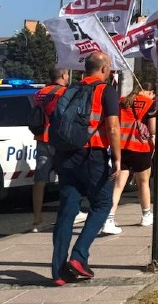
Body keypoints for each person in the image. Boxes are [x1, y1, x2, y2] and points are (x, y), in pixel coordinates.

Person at [50, 52, 121, 286]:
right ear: (103, 69)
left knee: (67, 212)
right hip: (92, 155)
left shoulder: (70, 89)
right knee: (102, 204)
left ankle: (59, 272)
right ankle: (79, 256)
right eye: (109, 67)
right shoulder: (106, 90)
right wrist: (118, 158)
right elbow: (113, 127)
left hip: (66, 155)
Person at [102, 82, 155, 235]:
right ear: (149, 91)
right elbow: (152, 129)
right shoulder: (150, 104)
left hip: (122, 146)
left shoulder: (122, 102)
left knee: (118, 185)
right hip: (141, 147)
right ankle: (146, 215)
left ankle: (109, 219)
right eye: (153, 94)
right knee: (143, 183)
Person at [31, 68, 70, 232]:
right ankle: (68, 214)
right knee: (67, 178)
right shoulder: (65, 93)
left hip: (42, 139)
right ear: (63, 75)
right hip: (59, 139)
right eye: (67, 74)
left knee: (40, 179)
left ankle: (37, 219)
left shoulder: (39, 93)